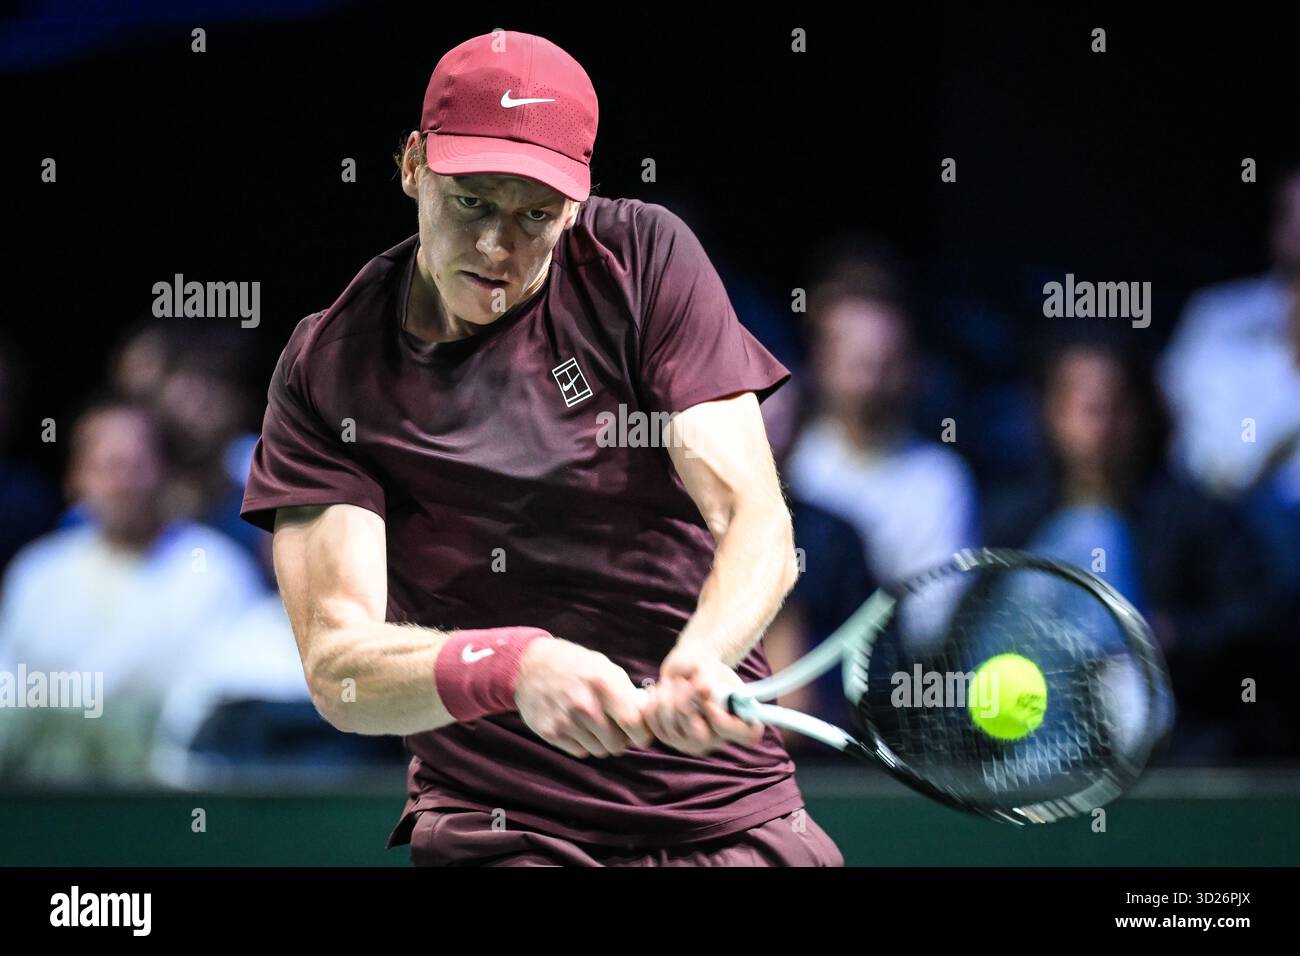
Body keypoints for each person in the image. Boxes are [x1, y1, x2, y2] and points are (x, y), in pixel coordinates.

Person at [240, 30, 843, 867]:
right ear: (413, 165)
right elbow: (340, 670)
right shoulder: (329, 369)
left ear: (579, 201)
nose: (497, 249)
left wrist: (703, 653)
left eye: (534, 216)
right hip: (505, 829)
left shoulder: (641, 258)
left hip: (729, 816)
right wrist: (510, 664)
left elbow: (753, 516)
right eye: (472, 203)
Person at [985, 336, 1291, 761]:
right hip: (1038, 752)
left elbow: (1261, 623)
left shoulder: (1199, 518)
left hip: (1181, 749)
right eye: (1081, 405)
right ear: (1050, 412)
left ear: (1144, 412)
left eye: (1116, 404)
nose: (1100, 423)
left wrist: (1175, 637)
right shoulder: (1010, 521)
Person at [0, 398, 264, 784]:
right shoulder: (37, 574)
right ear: (76, 478)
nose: (122, 483)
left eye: (136, 465)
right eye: (107, 466)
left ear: (167, 473)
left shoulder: (217, 570)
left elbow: (228, 702)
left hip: (169, 796)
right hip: (49, 792)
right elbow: (11, 694)